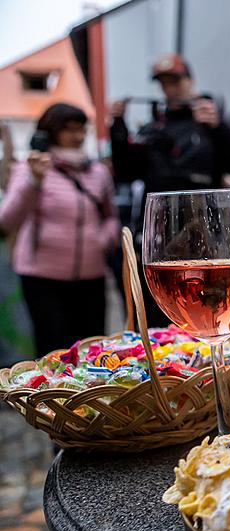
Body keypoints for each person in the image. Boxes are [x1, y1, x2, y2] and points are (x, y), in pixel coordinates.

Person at [109, 53, 230, 325]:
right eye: (163, 83)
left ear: (190, 80)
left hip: (206, 235)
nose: (170, 88)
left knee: (206, 307)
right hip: (163, 233)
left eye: (175, 80)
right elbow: (125, 171)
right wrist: (117, 126)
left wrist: (219, 127)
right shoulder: (153, 129)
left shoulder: (208, 123)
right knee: (161, 309)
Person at [0, 103, 119, 356]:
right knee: (53, 350)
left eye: (81, 130)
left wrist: (103, 240)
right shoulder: (30, 169)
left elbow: (111, 216)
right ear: (51, 132)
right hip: (43, 279)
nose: (77, 137)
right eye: (69, 130)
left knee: (91, 350)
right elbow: (7, 220)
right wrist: (34, 181)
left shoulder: (98, 172)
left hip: (91, 277)